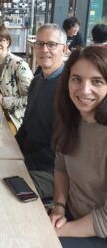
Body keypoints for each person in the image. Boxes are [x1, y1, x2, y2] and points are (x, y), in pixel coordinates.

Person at [50, 46, 107, 247]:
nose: (84, 90)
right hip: (71, 215)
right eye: (77, 79)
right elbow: (61, 167)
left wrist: (59, 230)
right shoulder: (70, 118)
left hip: (99, 232)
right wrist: (58, 207)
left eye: (97, 81)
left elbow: (105, 221)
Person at [15, 24, 68, 199]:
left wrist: (23, 162)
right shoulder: (37, 81)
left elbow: (60, 148)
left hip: (52, 171)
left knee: (3, 187)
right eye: (40, 44)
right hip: (28, 158)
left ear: (64, 49)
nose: (44, 49)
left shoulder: (70, 88)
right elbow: (27, 125)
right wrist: (13, 149)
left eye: (52, 44)